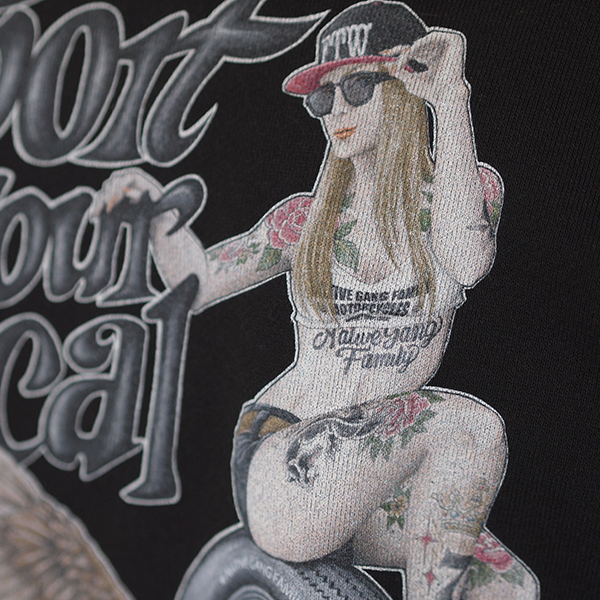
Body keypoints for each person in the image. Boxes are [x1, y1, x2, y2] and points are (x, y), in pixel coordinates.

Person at [100, 3, 538, 598]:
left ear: (410, 83)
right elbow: (197, 280)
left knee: (509, 586)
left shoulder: (467, 191)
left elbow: (466, 261)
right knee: (470, 425)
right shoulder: (304, 221)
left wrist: (450, 97)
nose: (337, 113)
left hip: (375, 488)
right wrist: (153, 210)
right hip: (283, 463)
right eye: (323, 99)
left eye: (357, 88)